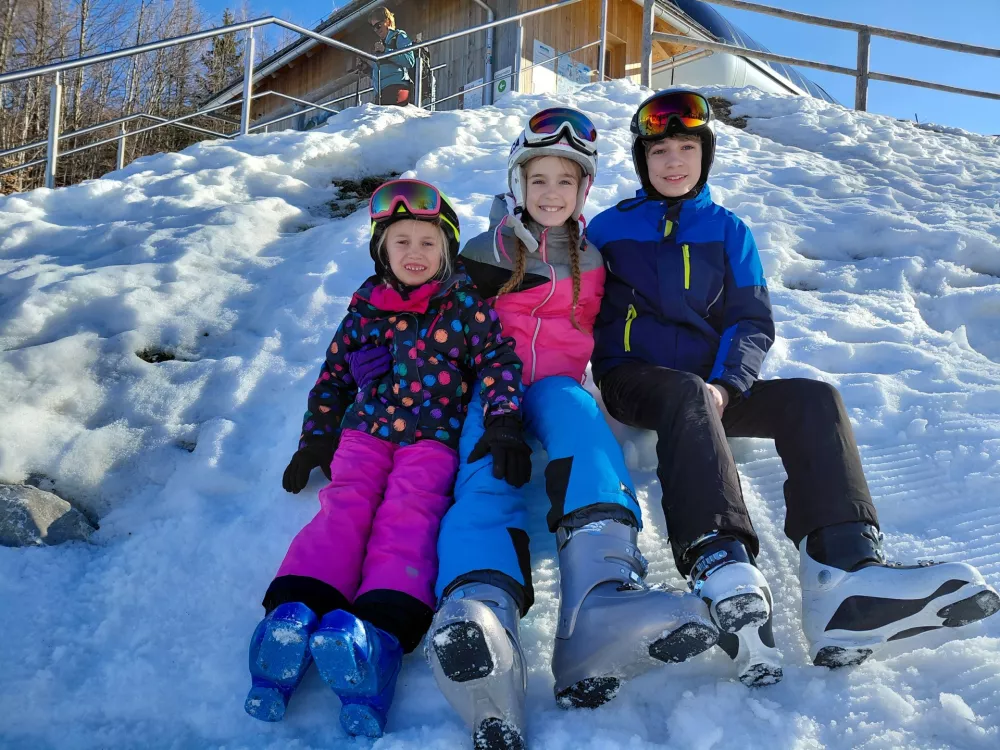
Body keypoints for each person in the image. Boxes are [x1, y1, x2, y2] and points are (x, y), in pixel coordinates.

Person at [587, 88, 1000, 686]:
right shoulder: (609, 228)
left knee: (814, 399)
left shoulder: (730, 231)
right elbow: (569, 298)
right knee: (685, 392)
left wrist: (729, 384)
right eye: (658, 151)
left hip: (708, 388)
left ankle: (845, 576)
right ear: (641, 161)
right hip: (634, 380)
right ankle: (718, 560)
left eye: (685, 147)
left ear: (704, 155)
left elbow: (750, 321)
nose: (672, 161)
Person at [348, 109, 719, 750]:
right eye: (538, 178)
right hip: (480, 392)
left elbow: (620, 326)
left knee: (583, 425)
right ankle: (481, 609)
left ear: (584, 192)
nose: (551, 193)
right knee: (483, 471)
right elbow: (419, 310)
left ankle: (601, 601)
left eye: (566, 183)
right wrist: (379, 366)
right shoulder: (480, 251)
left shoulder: (593, 258)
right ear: (516, 182)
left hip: (555, 387)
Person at [244, 180, 526, 738]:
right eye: (402, 242)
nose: (415, 253)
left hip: (432, 442)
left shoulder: (465, 305)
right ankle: (294, 613)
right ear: (382, 250)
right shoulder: (364, 308)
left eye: (427, 242)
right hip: (366, 436)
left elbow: (498, 361)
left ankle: (378, 630)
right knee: (343, 506)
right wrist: (317, 440)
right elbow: (334, 378)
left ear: (445, 251)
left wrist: (503, 419)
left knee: (408, 514)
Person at [368, 7, 414, 107]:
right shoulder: (382, 44)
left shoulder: (399, 36)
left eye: (378, 26)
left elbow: (409, 60)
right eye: (373, 28)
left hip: (396, 88)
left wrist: (386, 51)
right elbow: (382, 71)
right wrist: (366, 69)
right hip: (381, 93)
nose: (376, 30)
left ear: (388, 22)